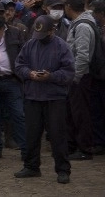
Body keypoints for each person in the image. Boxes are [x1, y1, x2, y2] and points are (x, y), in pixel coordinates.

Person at [14, 15, 75, 184]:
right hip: (33, 96)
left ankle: (63, 170)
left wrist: (51, 76)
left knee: (57, 135)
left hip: (55, 98)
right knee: (32, 134)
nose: (39, 38)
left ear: (52, 30)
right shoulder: (30, 45)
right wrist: (29, 73)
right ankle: (31, 166)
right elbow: (19, 66)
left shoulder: (62, 47)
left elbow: (69, 72)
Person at [0, 0, 26, 160]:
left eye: (1, 13)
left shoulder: (16, 32)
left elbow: (23, 54)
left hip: (12, 79)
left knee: (18, 115)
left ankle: (25, 148)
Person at [63, 0, 99, 160]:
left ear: (69, 7)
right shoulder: (77, 23)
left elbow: (83, 56)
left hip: (81, 77)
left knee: (81, 113)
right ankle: (73, 144)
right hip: (76, 76)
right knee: (73, 113)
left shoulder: (83, 26)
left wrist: (75, 77)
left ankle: (85, 148)